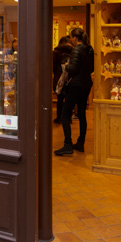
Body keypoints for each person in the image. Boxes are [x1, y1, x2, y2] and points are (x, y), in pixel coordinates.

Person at [54, 28, 94, 156]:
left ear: (75, 38)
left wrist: (67, 65)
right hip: (86, 85)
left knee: (65, 114)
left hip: (75, 85)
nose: (70, 39)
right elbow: (91, 68)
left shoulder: (77, 49)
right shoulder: (89, 49)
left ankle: (68, 145)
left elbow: (72, 68)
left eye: (71, 37)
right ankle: (80, 143)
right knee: (82, 114)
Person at [52, 36, 73, 123]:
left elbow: (52, 65)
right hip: (70, 78)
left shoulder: (56, 52)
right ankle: (68, 118)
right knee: (69, 99)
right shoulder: (73, 51)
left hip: (59, 78)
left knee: (60, 99)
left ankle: (59, 118)